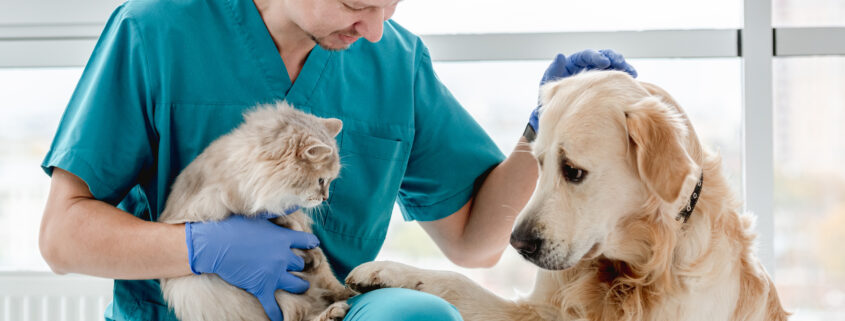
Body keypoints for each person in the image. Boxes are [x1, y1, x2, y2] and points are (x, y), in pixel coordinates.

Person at [38, 0, 636, 320]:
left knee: (418, 320)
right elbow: (62, 237)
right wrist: (200, 246)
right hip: (191, 316)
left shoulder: (394, 62)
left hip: (331, 314)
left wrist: (541, 130)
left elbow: (474, 241)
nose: (374, 31)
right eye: (357, 4)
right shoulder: (155, 32)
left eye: (389, 7)